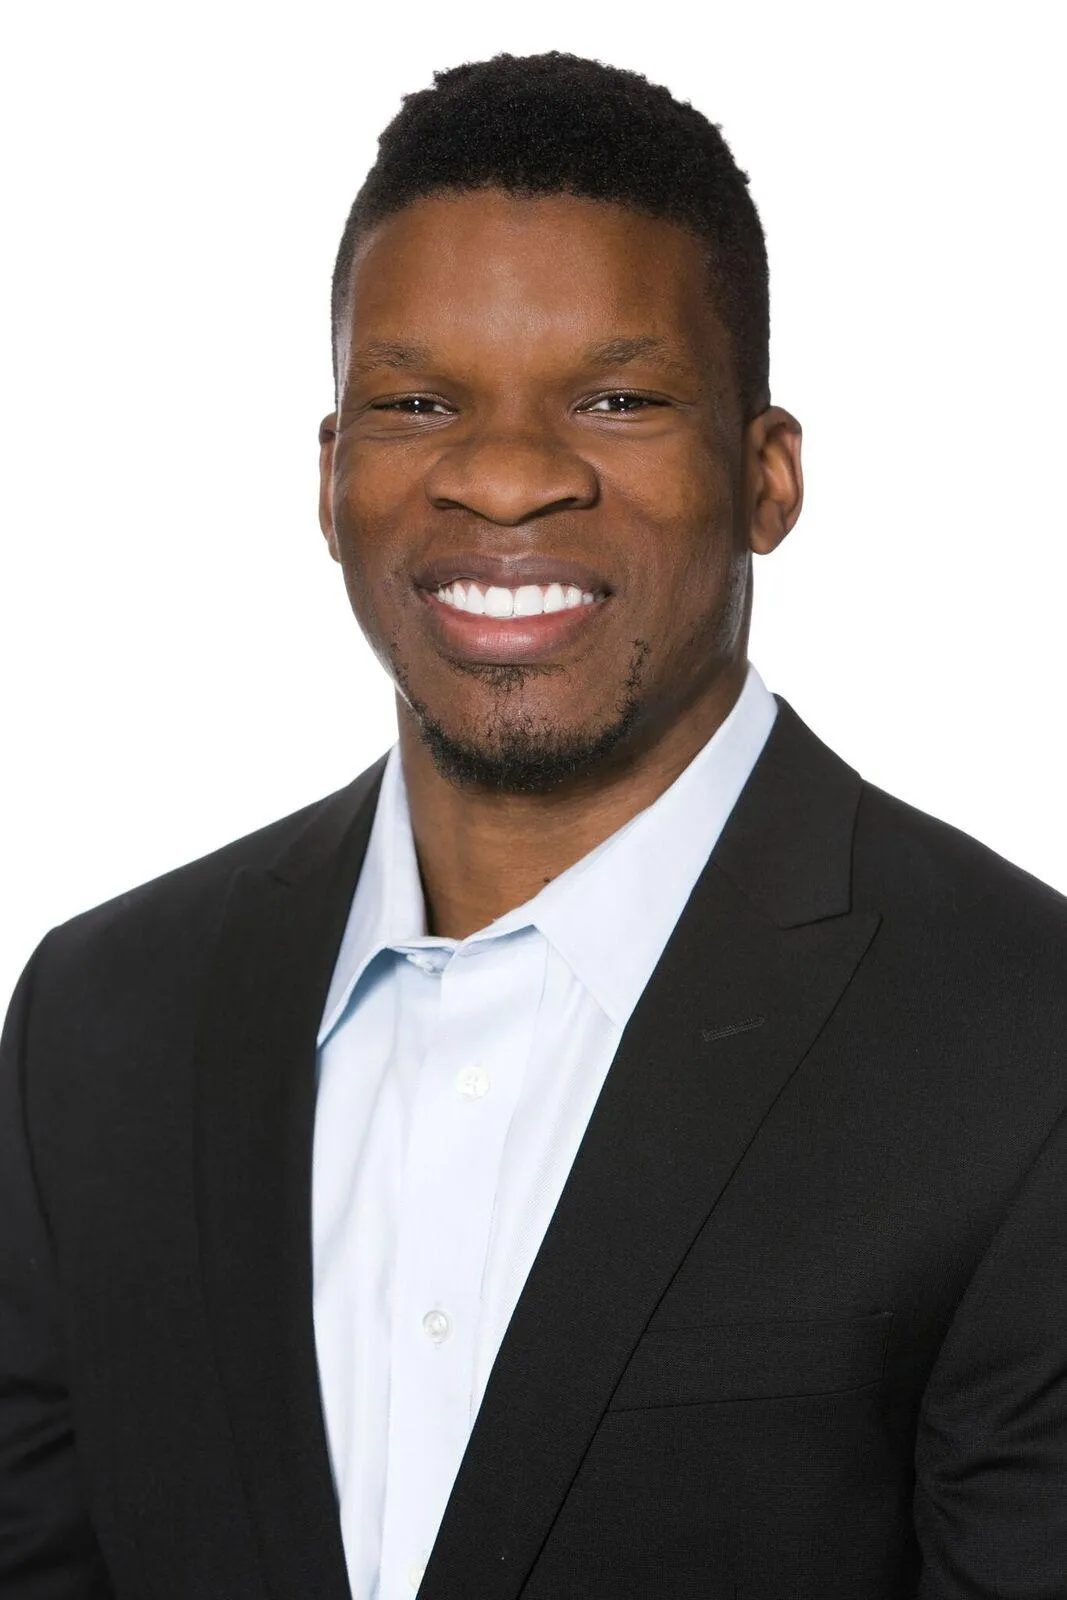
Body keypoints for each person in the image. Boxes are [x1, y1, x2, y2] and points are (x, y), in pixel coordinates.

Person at [2, 48, 1065, 1600]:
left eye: (616, 400)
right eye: (417, 402)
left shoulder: (1024, 1039)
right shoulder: (96, 1022)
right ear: (331, 476)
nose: (503, 480)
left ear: (765, 476)